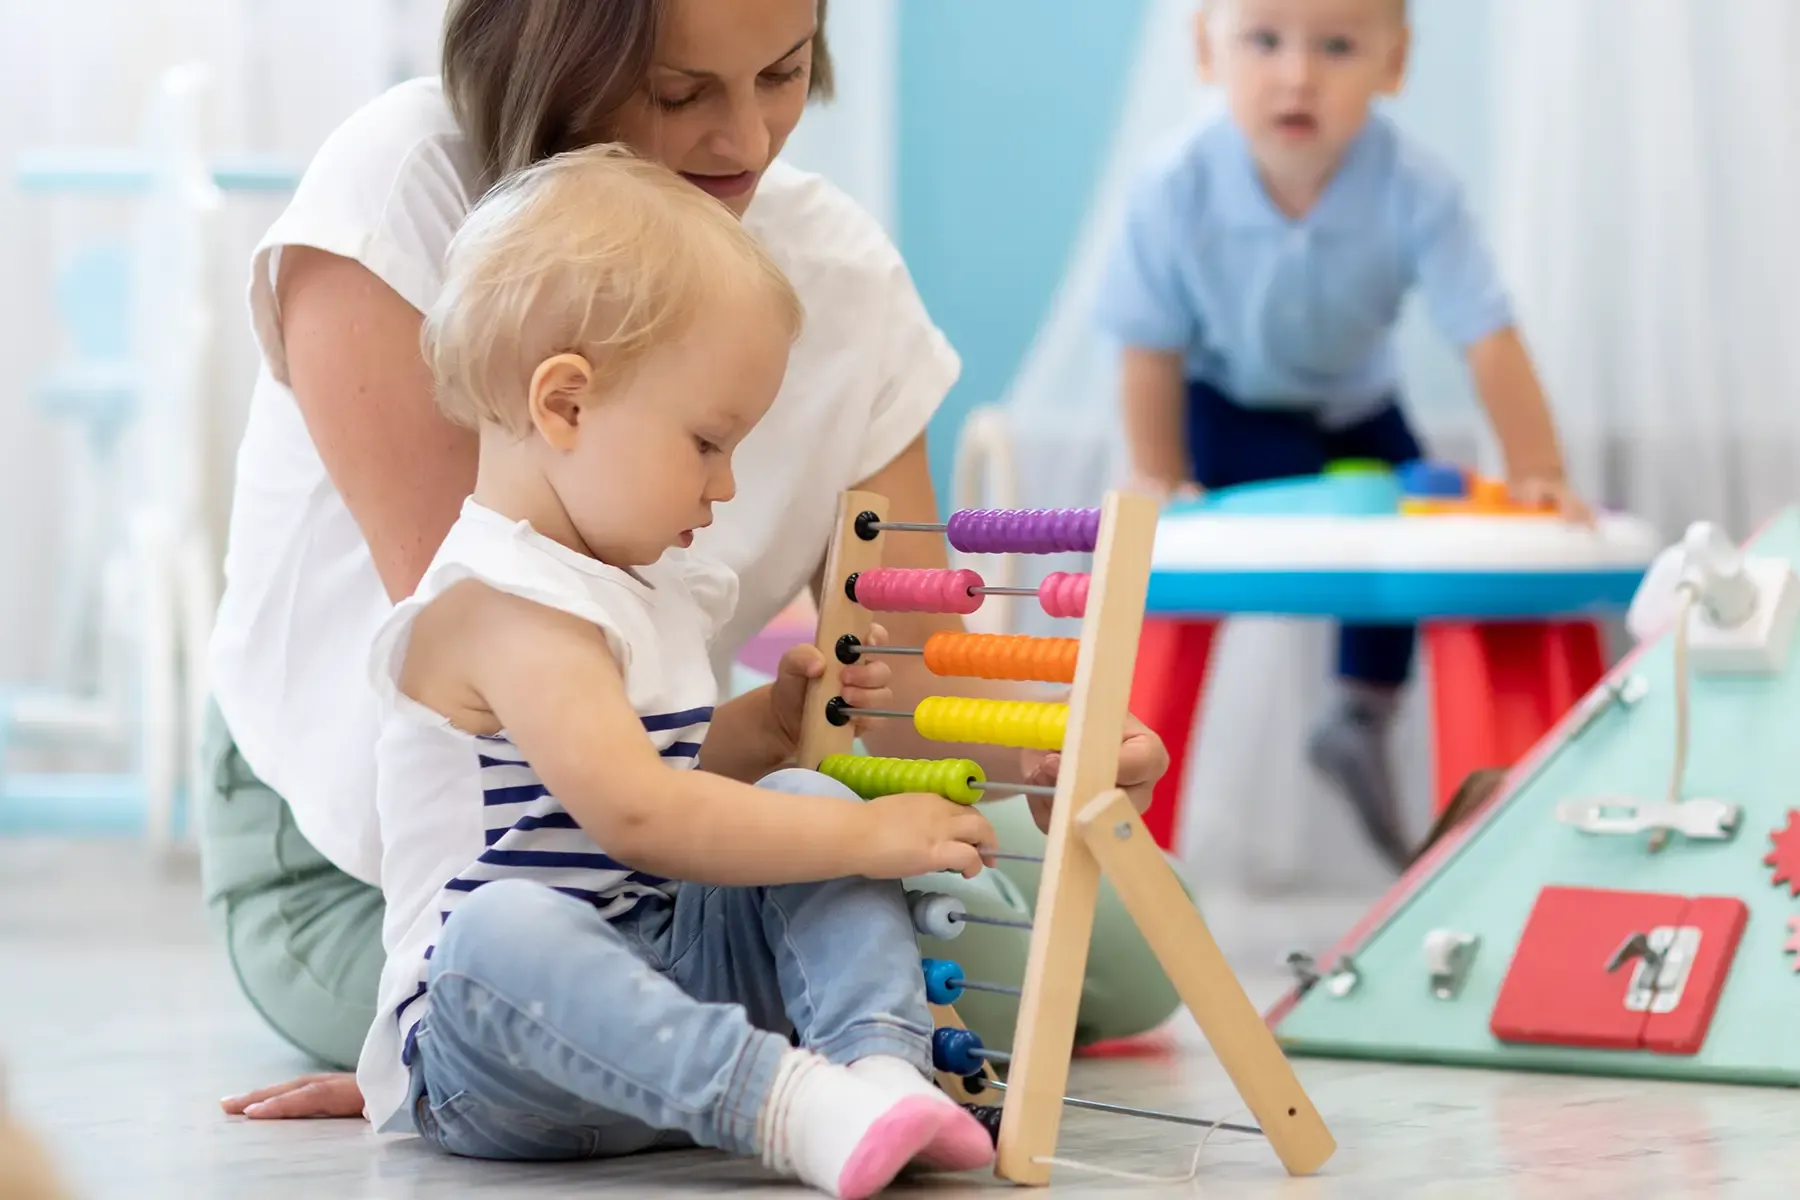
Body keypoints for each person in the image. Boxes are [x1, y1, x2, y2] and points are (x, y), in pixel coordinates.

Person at [206, 0, 1178, 1120]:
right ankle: (722, 1075)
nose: (748, 143)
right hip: (399, 854)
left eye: (782, 73)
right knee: (905, 954)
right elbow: (549, 751)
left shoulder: (837, 275)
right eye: (681, 93)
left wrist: (1045, 754)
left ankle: (835, 1068)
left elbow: (901, 697)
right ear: (555, 54)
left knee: (1121, 940)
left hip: (672, 795)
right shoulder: (404, 188)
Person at [358, 142, 999, 1194]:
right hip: (496, 1055)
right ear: (565, 405)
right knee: (501, 928)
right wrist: (870, 829)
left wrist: (774, 726)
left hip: (653, 996)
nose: (728, 483)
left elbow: (678, 757)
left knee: (800, 790)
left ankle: (882, 1072)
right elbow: (641, 813)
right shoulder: (499, 606)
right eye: (707, 442)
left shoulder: (636, 586)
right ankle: (785, 1104)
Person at [1095, 0, 1588, 870]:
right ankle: (1138, 779)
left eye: (1337, 46)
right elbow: (1149, 348)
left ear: (1393, 65)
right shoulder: (1174, 184)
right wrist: (1158, 471)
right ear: (1206, 51)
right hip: (1227, 407)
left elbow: (1488, 333)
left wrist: (1538, 468)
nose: (1297, 74)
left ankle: (1362, 711)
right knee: (1191, 556)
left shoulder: (1417, 187)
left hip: (1357, 410)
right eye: (1265, 41)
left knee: (1411, 532)